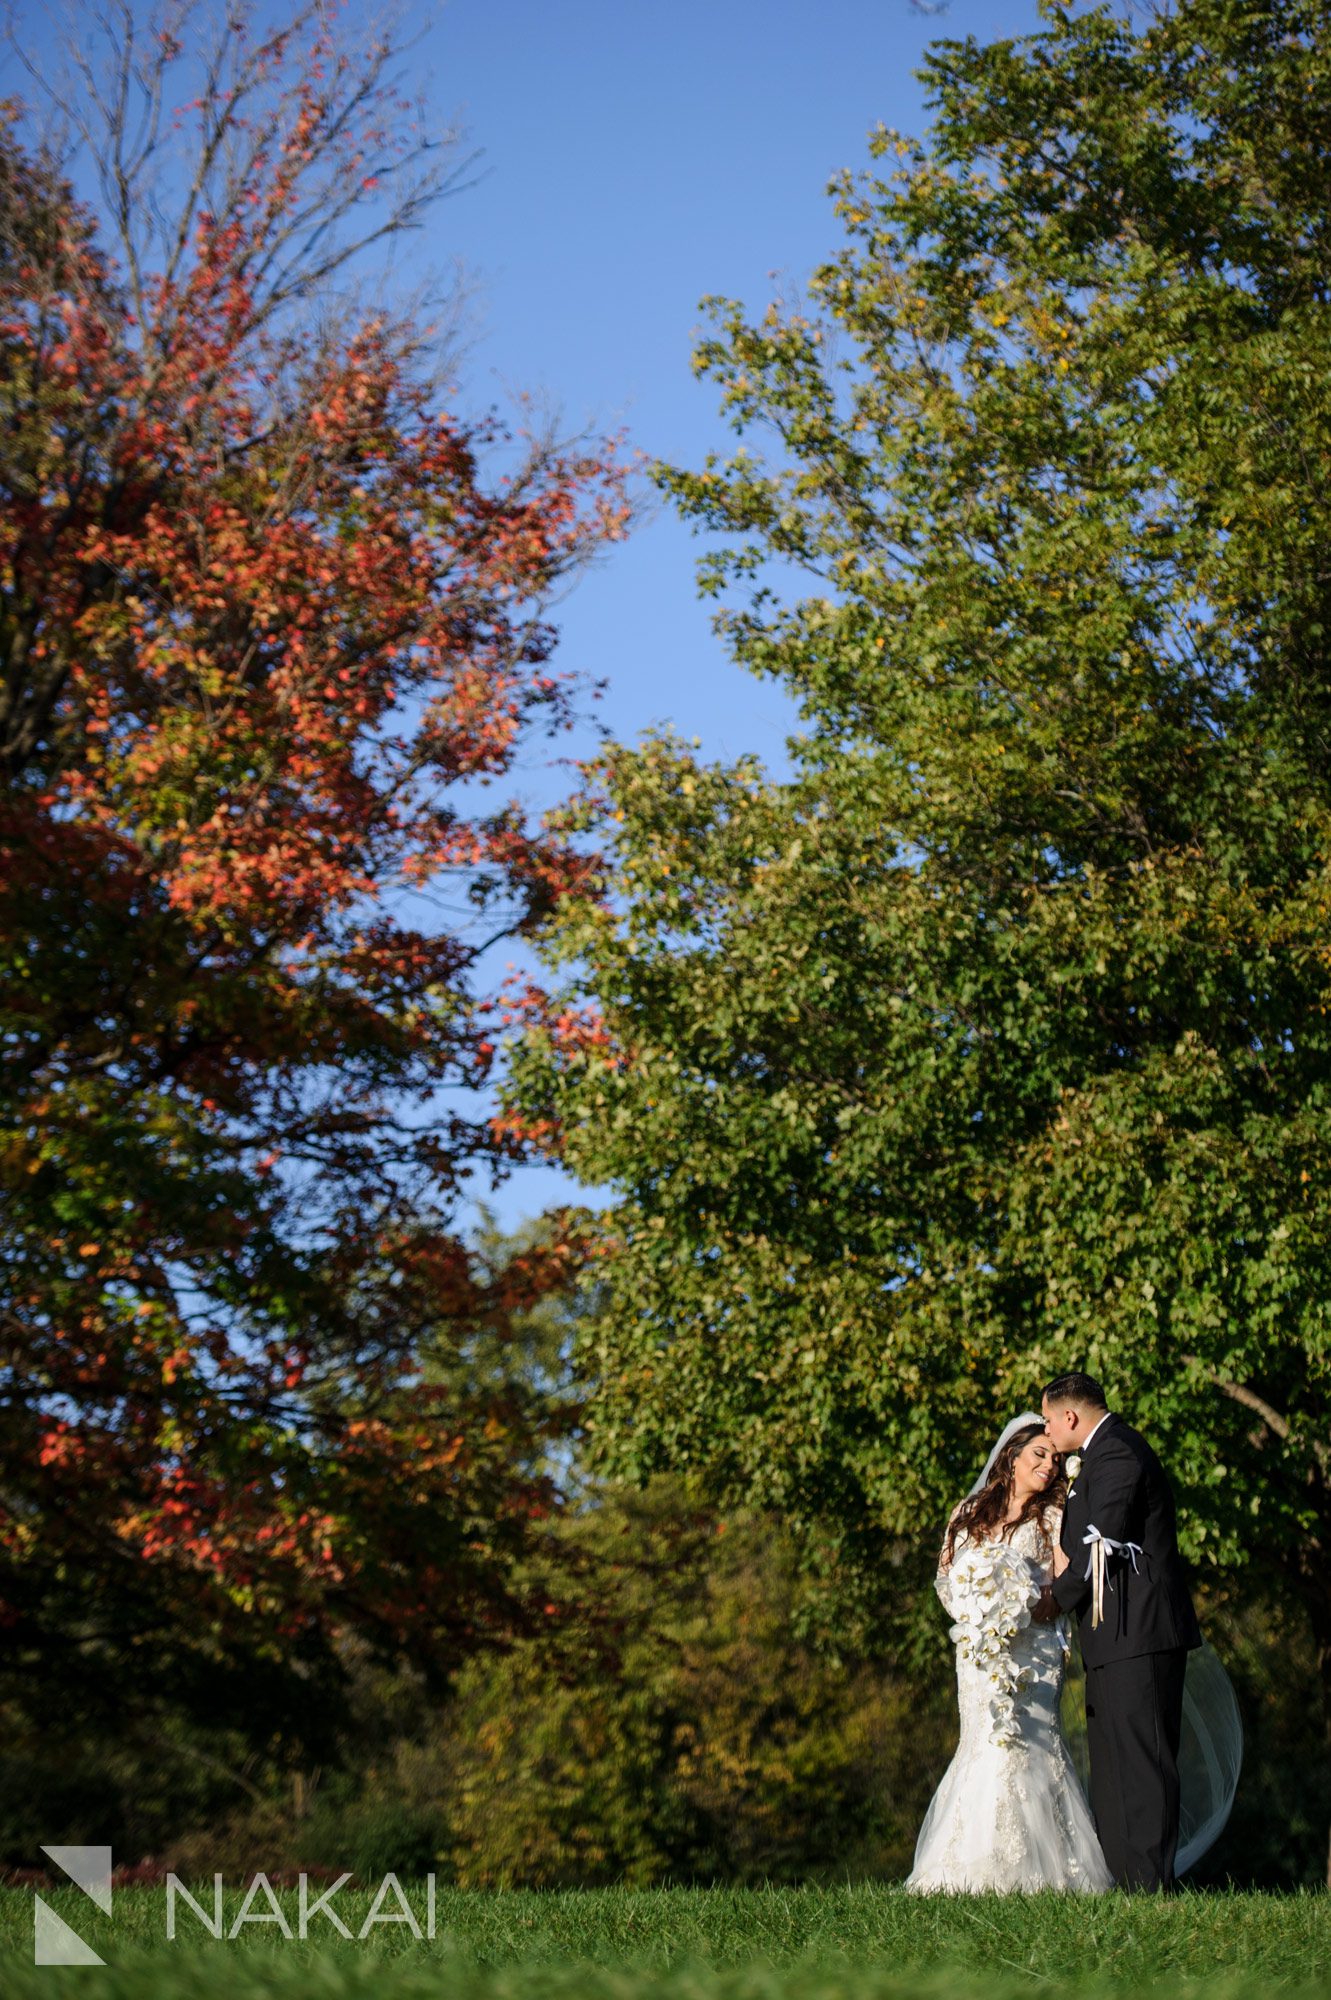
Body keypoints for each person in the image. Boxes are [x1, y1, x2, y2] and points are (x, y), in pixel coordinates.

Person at [905, 1414, 1113, 1893]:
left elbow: (1066, 1581)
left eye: (1056, 1459)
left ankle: (1048, 1874)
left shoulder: (1054, 1517)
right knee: (983, 1743)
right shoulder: (968, 1512)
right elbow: (946, 1577)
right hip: (979, 1651)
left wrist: (1033, 1605)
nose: (1049, 1465)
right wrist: (977, 1611)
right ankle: (966, 1869)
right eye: (1039, 1454)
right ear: (1011, 1458)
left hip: (1035, 1651)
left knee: (1033, 1743)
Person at [1041, 1371, 1203, 1891]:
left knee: (1143, 1761)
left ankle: (1152, 1886)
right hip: (1113, 1639)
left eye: (1047, 1419)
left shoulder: (1118, 1454)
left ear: (1070, 1416)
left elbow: (1100, 1543)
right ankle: (1124, 1882)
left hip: (1142, 1636)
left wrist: (1053, 1603)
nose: (1046, 1430)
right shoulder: (1100, 1455)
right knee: (1112, 1762)